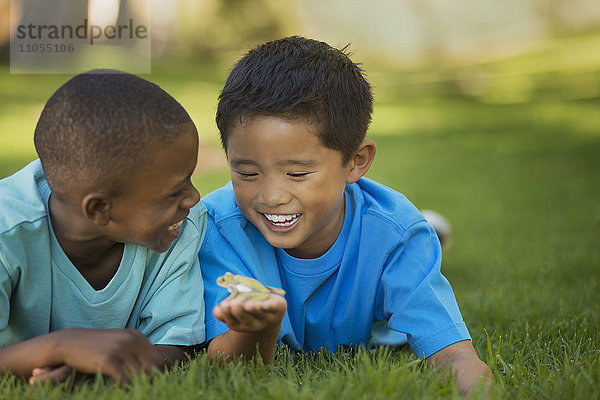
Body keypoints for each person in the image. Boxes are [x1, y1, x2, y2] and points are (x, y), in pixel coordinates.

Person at [199, 36, 491, 395]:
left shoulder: (397, 235)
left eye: (297, 174)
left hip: (386, 265)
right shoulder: (218, 227)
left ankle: (430, 235)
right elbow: (223, 363)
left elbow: (453, 357)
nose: (271, 196)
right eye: (246, 173)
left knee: (408, 240)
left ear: (356, 162)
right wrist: (258, 329)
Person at [0, 70, 285, 385]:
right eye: (174, 192)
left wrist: (88, 371)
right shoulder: (7, 230)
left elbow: (177, 346)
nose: (193, 198)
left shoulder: (183, 227)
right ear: (99, 209)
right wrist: (61, 346)